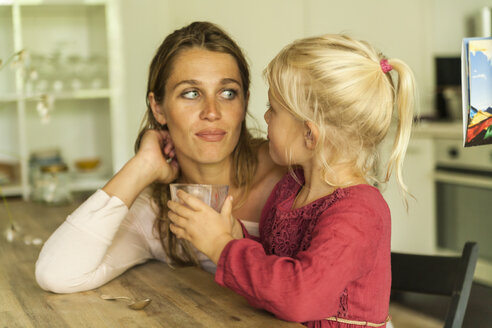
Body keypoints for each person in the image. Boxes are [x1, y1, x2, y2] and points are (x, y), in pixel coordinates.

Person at [167, 34, 416, 327]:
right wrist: (236, 235)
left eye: (274, 109)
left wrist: (223, 247)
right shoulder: (291, 187)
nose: (265, 117)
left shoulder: (360, 211)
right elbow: (279, 266)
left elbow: (300, 296)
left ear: (310, 134)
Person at [35, 21, 286, 293]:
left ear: (245, 102)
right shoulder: (155, 211)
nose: (212, 112)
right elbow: (56, 274)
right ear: (158, 108)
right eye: (191, 93)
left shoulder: (289, 175)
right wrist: (142, 166)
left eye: (228, 93)